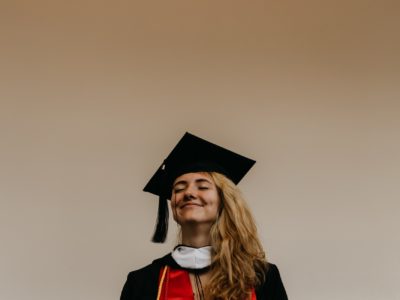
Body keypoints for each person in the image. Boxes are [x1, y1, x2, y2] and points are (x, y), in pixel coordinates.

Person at [120, 132, 288, 300]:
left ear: (224, 200)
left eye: (202, 187)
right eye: (179, 189)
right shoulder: (142, 282)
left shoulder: (260, 277)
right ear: (172, 205)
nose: (188, 193)